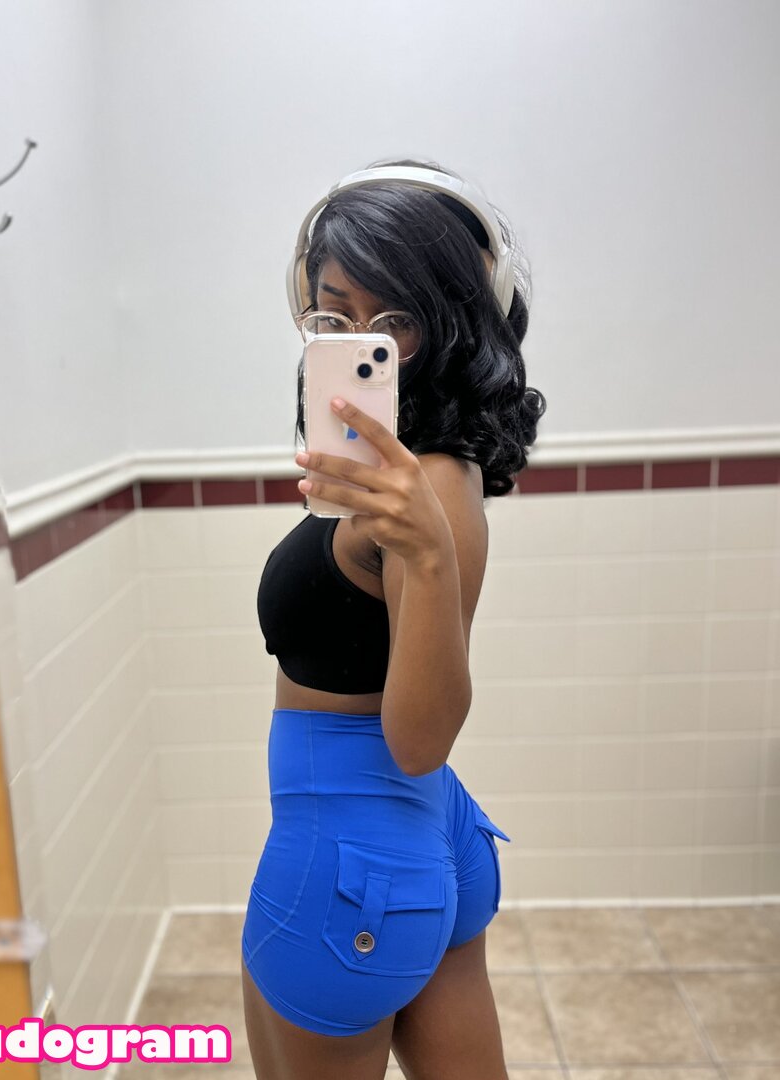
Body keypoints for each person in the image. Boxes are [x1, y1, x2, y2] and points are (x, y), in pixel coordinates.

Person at [241, 157, 546, 1080]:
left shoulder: (430, 486)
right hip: (418, 837)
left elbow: (419, 739)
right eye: (333, 316)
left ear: (453, 322)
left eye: (395, 322)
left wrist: (426, 553)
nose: (360, 342)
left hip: (346, 856)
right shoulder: (418, 467)